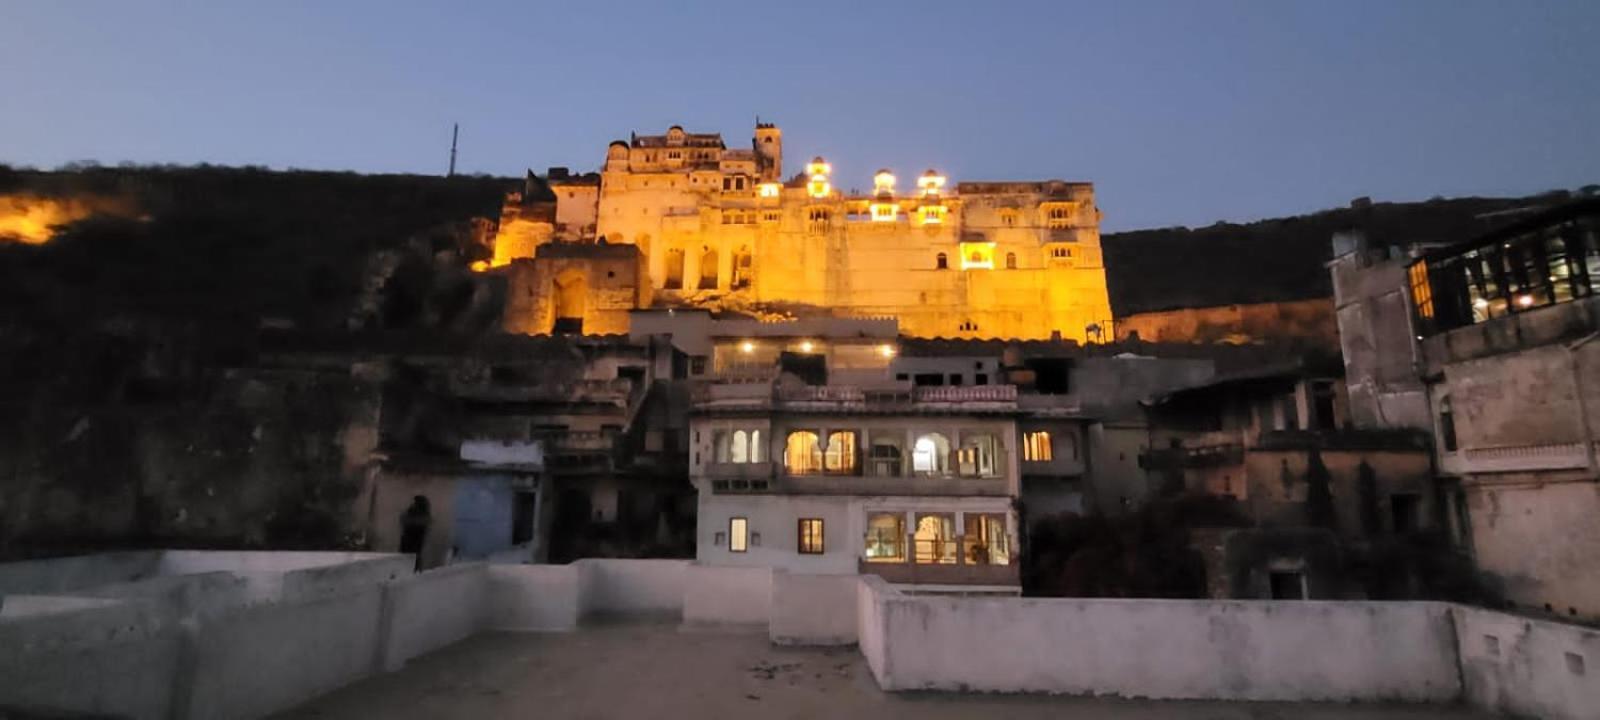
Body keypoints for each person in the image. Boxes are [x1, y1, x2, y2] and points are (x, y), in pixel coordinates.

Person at [399, 495, 431, 571]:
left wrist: (409, 521)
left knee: (414, 556)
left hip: (415, 539)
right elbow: (403, 519)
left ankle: (414, 570)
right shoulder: (412, 511)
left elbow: (420, 522)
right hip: (409, 539)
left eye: (414, 501)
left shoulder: (422, 513)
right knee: (409, 556)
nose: (412, 503)